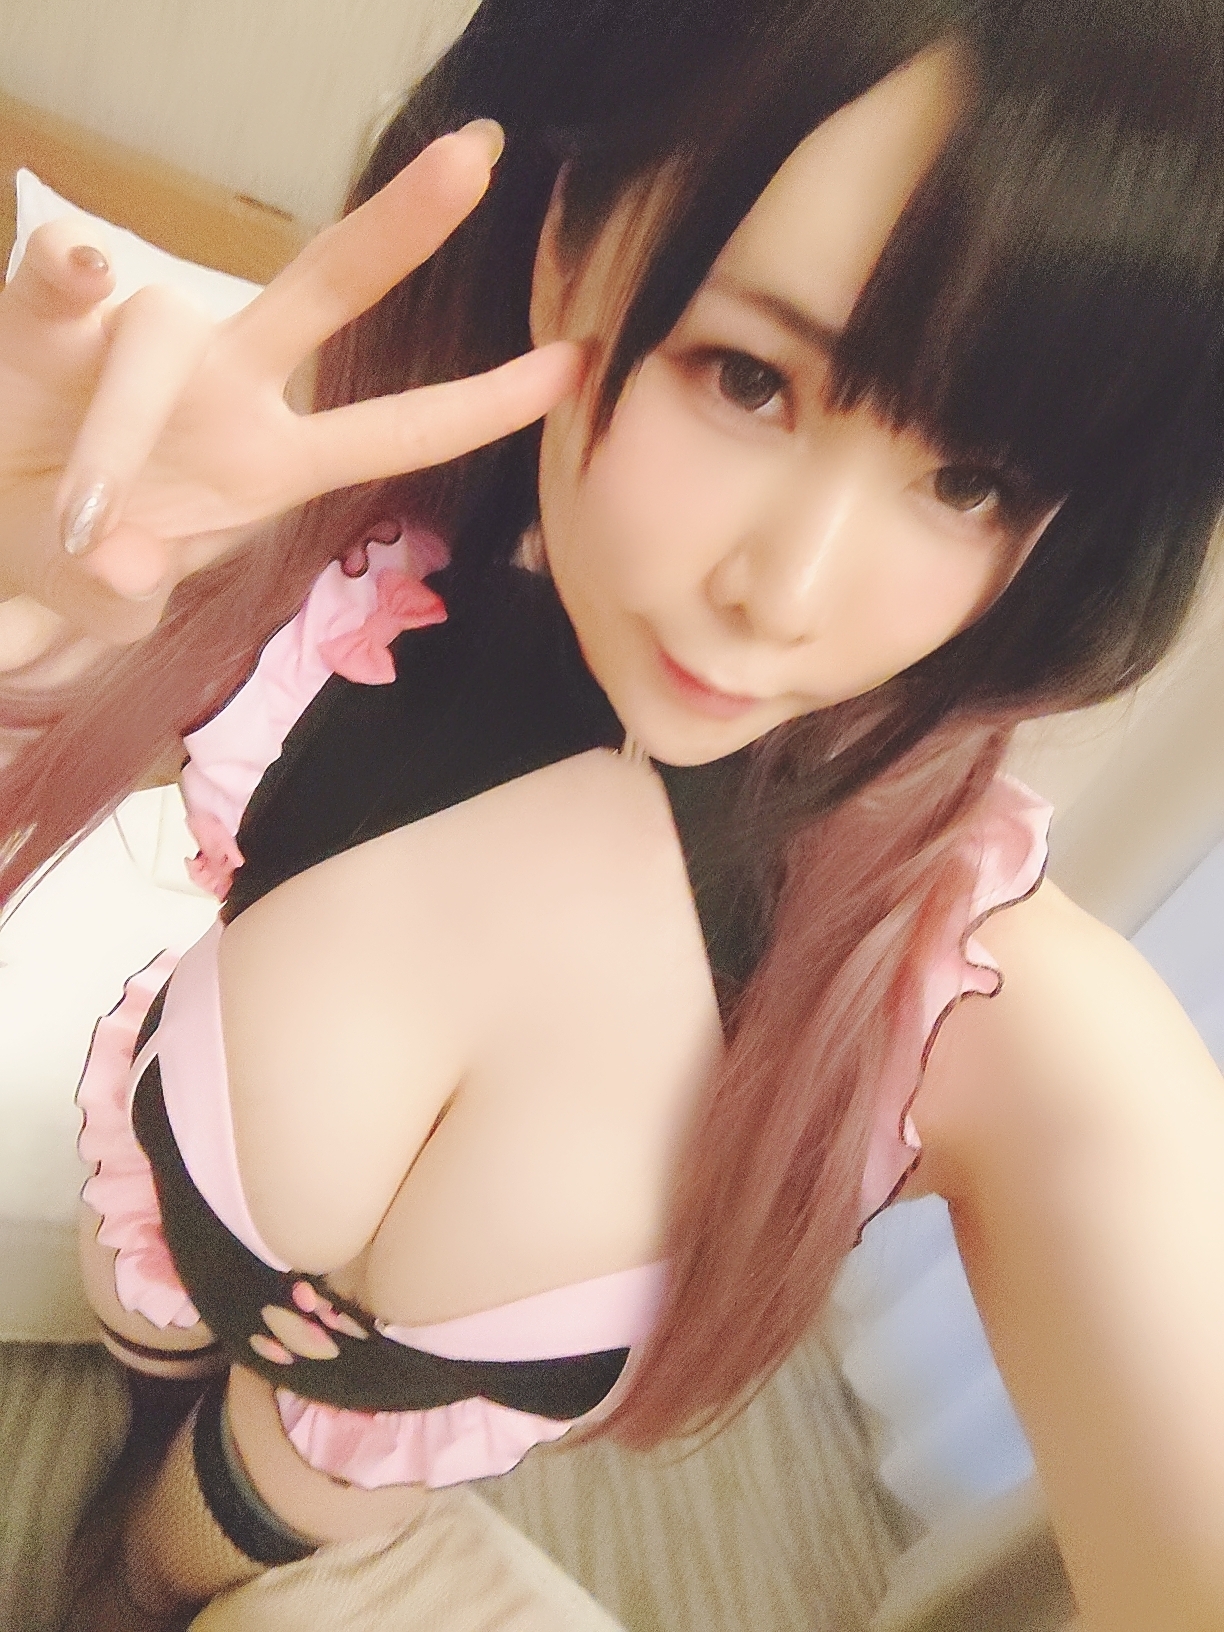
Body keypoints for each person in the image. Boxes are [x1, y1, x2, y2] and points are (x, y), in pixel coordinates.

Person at [1, 0, 1223, 1627]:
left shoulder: (978, 999)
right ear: (566, 245)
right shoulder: (343, 579)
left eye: (971, 480)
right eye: (749, 377)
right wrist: (25, 578)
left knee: (145, 1578)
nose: (784, 594)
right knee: (106, 1435)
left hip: (344, 1454)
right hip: (142, 1223)